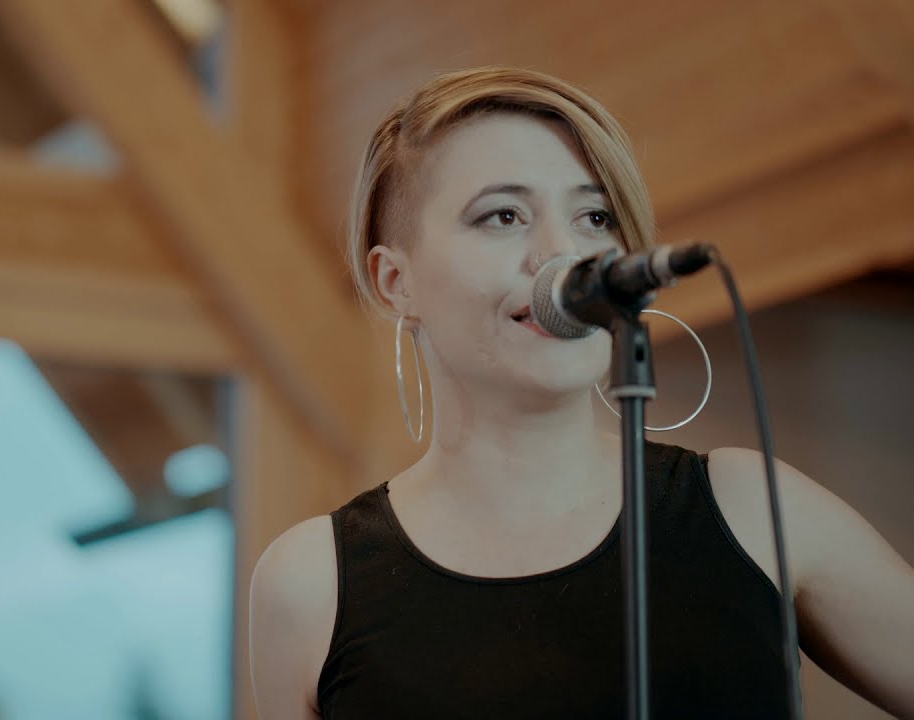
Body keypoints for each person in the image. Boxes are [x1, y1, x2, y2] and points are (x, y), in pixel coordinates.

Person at [248, 66, 914, 719]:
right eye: (503, 215)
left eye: (595, 216)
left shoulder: (754, 506)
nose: (564, 253)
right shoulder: (311, 582)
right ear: (397, 281)